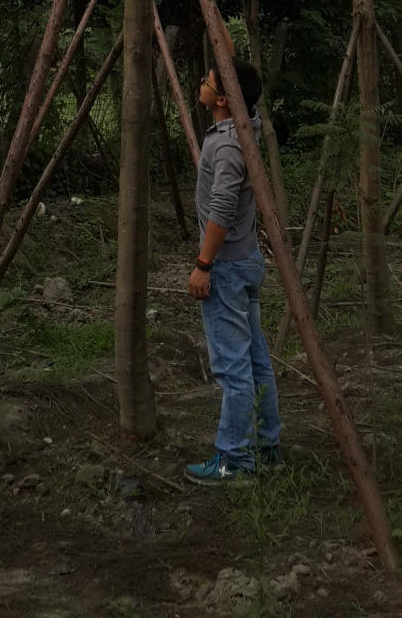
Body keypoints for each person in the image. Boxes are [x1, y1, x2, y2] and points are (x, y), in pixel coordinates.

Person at [185, 58, 282, 484]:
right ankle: (268, 447)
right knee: (257, 361)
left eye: (207, 79)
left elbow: (222, 208)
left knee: (233, 367)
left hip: (225, 265)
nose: (200, 83)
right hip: (247, 261)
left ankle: (234, 460)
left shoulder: (226, 146)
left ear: (222, 99)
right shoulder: (247, 128)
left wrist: (203, 264)